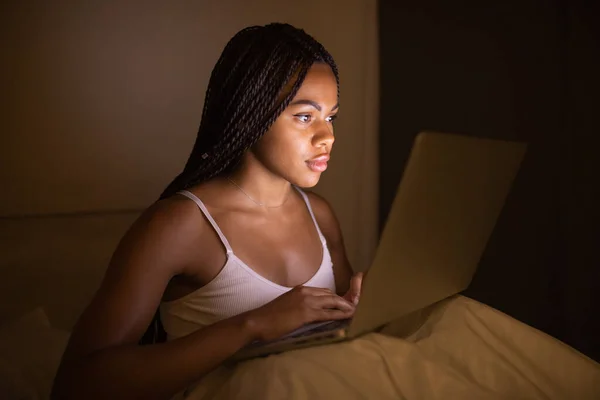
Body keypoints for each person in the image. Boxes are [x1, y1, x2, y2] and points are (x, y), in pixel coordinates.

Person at [51, 23, 363, 400]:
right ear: (253, 113)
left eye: (331, 116)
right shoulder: (180, 225)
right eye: (304, 116)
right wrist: (252, 326)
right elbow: (77, 384)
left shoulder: (321, 216)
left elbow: (343, 335)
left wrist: (359, 309)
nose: (327, 136)